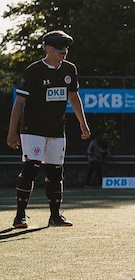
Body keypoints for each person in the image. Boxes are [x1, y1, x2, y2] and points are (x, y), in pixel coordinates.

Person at [6, 30, 90, 228]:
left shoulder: (69, 69)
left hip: (56, 130)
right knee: (31, 167)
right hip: (32, 129)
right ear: (48, 48)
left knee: (55, 172)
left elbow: (74, 98)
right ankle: (20, 216)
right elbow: (19, 103)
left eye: (67, 46)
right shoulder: (34, 70)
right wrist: (12, 131)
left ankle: (55, 216)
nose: (65, 50)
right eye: (60, 46)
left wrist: (82, 123)